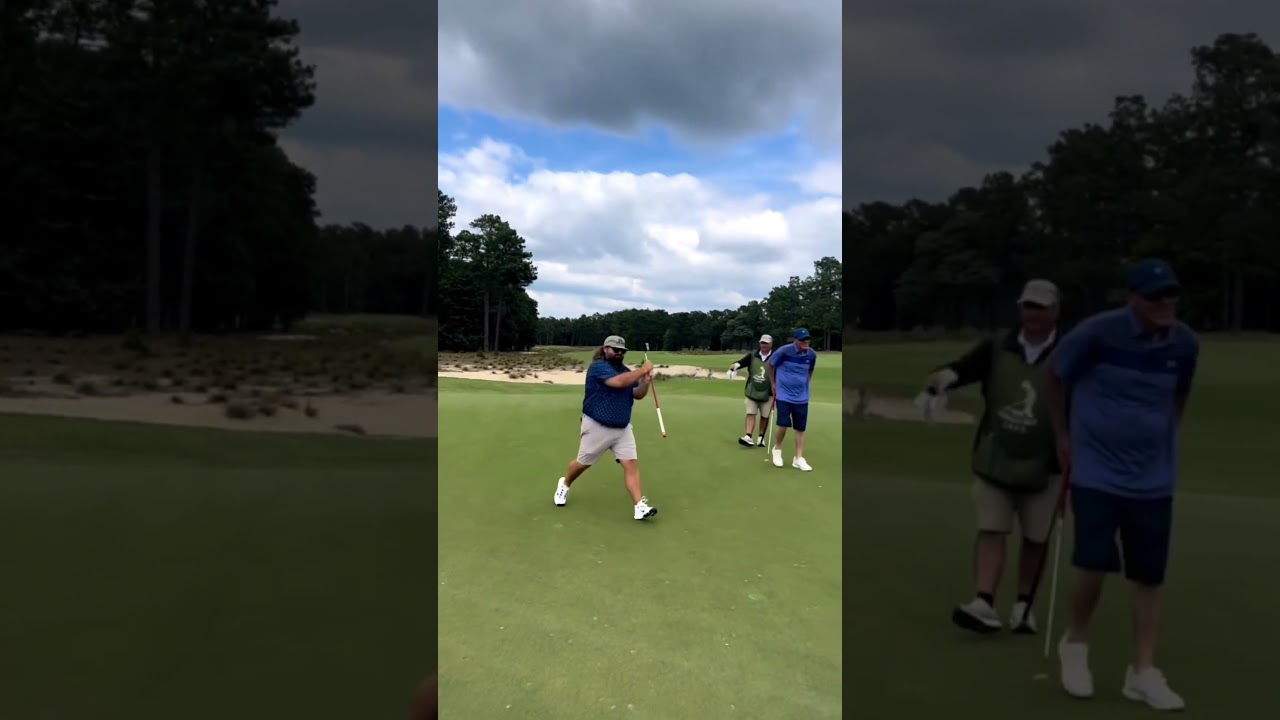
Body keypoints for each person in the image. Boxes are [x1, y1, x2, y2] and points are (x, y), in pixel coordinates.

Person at [1047, 259, 1198, 711]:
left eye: (1170, 295)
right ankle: (1076, 644)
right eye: (1155, 297)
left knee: (1149, 575)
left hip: (1154, 477)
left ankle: (1143, 672)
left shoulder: (1185, 343)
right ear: (1133, 299)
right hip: (1095, 469)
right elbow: (1055, 376)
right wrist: (1062, 435)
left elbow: (1180, 394)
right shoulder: (1097, 333)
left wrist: (1165, 438)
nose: (1165, 303)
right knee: (1094, 562)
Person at [924, 279, 1065, 635]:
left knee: (1036, 537)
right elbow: (963, 369)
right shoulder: (999, 345)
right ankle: (984, 602)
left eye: (1040, 307)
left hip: (1047, 462)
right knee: (991, 528)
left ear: (1055, 311)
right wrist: (943, 378)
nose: (1032, 313)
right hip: (996, 455)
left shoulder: (1070, 351)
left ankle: (1023, 606)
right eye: (1028, 306)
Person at [552, 335, 659, 520]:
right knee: (583, 463)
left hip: (622, 428)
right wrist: (643, 370)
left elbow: (637, 394)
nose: (619, 353)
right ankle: (565, 484)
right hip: (597, 425)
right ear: (605, 349)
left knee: (631, 464)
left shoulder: (625, 371)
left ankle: (639, 506)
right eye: (615, 350)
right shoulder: (598, 367)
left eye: (622, 351)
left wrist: (645, 382)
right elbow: (619, 382)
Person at [765, 328, 817, 471]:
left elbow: (811, 369)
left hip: (802, 396)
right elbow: (770, 364)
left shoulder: (812, 354)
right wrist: (773, 383)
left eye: (807, 339)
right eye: (802, 340)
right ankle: (777, 450)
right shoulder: (784, 351)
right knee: (783, 424)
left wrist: (807, 383)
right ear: (795, 340)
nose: (805, 342)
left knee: (800, 428)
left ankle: (798, 458)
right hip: (783, 394)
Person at [727, 334, 775, 447]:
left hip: (768, 392)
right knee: (750, 413)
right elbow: (741, 362)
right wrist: (734, 366)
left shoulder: (776, 357)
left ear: (771, 344)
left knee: (765, 416)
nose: (763, 345)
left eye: (766, 343)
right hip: (752, 390)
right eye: (762, 343)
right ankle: (748, 436)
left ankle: (761, 437)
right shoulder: (753, 355)